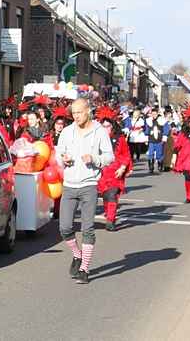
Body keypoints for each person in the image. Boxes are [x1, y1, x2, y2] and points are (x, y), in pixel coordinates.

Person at [55, 98, 114, 284]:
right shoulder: (66, 132)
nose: (76, 116)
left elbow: (109, 156)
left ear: (88, 111)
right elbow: (58, 154)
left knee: (87, 228)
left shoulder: (99, 132)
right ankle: (77, 254)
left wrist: (95, 159)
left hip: (89, 184)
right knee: (64, 227)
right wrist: (63, 159)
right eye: (73, 113)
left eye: (79, 112)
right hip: (69, 184)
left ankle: (84, 269)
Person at [96, 106, 132, 231]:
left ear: (112, 126)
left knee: (112, 195)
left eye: (108, 126)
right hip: (101, 173)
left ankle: (110, 221)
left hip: (116, 172)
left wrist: (123, 168)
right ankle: (109, 214)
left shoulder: (120, 139)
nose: (106, 128)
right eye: (103, 126)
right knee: (106, 197)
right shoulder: (96, 139)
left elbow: (126, 154)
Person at [145, 107, 170, 174]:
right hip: (151, 140)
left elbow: (166, 129)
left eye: (155, 114)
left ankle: (160, 166)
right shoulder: (148, 121)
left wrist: (164, 136)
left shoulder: (162, 121)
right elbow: (147, 130)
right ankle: (151, 167)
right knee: (150, 154)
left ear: (157, 114)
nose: (154, 115)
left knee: (159, 154)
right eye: (152, 114)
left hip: (159, 140)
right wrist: (146, 137)